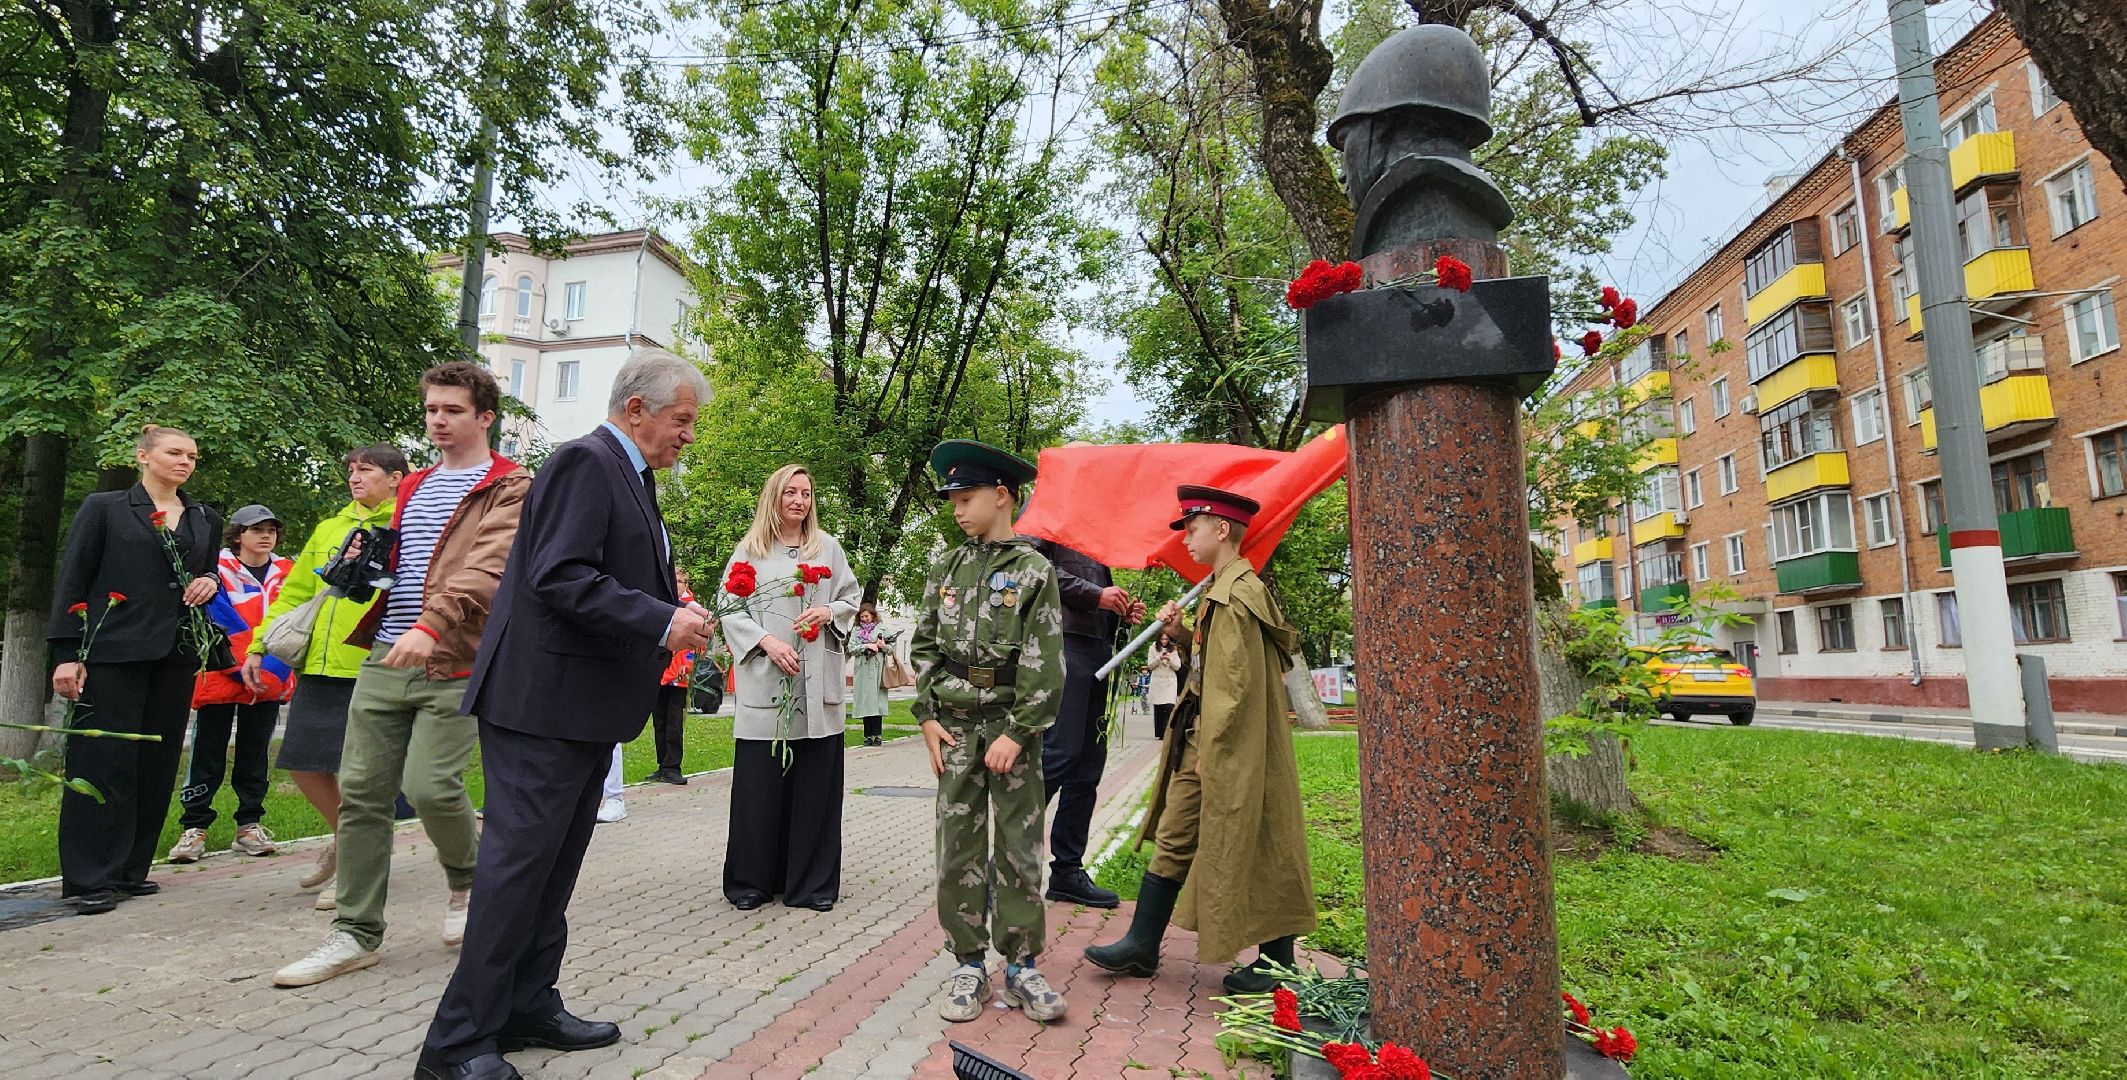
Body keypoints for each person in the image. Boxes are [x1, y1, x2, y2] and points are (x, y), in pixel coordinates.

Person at [415, 350, 712, 1080]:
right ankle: (454, 1045)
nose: (688, 436)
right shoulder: (587, 462)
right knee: (517, 872)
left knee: (551, 870)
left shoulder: (629, 475)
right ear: (636, 409)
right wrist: (660, 621)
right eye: (682, 421)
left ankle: (526, 1004)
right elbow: (560, 574)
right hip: (540, 705)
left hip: (577, 709)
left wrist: (666, 612)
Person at [273, 362, 529, 989]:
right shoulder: (409, 486)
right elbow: (407, 565)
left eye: (452, 411)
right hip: (387, 656)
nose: (438, 421)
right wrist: (365, 568)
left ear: (485, 417)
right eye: (431, 411)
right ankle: (355, 934)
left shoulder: (511, 485)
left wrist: (431, 625)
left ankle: (468, 882)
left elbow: (486, 570)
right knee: (361, 792)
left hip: (454, 660)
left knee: (431, 787)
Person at [1084, 485, 1316, 994]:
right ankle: (1142, 946)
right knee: (1175, 833)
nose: (1186, 539)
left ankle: (1277, 966)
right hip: (1203, 741)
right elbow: (1218, 662)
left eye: (1192, 529)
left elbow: (1232, 690)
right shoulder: (1222, 589)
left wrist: (1215, 753)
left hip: (1222, 745)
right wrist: (1185, 632)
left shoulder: (1235, 595)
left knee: (1260, 839)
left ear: (1222, 530)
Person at [911, 439, 1068, 1024]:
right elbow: (923, 643)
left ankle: (1023, 965)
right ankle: (969, 963)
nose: (957, 509)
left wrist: (1021, 731)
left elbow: (1047, 660)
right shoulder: (947, 567)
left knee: (1020, 852)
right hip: (955, 729)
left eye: (966, 497)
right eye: (952, 498)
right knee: (957, 850)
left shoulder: (1033, 571)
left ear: (1002, 496)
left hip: (1010, 732)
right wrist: (926, 717)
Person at [47, 425, 224, 915]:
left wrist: (209, 581)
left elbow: (206, 570)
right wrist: (65, 651)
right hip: (110, 652)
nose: (185, 461)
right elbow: (74, 578)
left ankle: (128, 870)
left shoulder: (204, 516)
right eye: (174, 452)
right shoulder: (104, 508)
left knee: (155, 762)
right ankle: (88, 878)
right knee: (102, 761)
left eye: (192, 454)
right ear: (144, 456)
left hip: (176, 654)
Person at [244, 446, 407, 908]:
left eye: (367, 471)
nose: (355, 478)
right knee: (302, 760)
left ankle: (358, 863)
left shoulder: (409, 525)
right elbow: (295, 592)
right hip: (319, 663)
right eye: (351, 471)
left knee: (363, 774)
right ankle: (348, 842)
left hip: (375, 663)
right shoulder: (331, 527)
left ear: (395, 478)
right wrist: (260, 644)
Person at [716, 464, 861, 912]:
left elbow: (850, 598)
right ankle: (751, 882)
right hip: (768, 684)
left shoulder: (829, 549)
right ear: (773, 497)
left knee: (815, 790)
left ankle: (811, 885)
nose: (799, 501)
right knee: (760, 791)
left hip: (817, 687)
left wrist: (827, 613)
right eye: (790, 493)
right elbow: (728, 608)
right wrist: (765, 641)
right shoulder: (749, 552)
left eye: (806, 494)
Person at [170, 505, 294, 864]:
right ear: (238, 534)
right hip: (222, 672)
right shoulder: (216, 570)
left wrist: (271, 667)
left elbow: (294, 619)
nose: (266, 536)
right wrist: (242, 664)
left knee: (255, 753)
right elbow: (215, 616)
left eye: (271, 529)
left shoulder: (289, 572)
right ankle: (194, 828)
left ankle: (249, 825)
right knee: (207, 752)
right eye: (257, 530)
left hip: (269, 675)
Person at [1025, 536, 1142, 909]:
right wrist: (1097, 596)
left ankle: (1067, 872)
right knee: (1057, 756)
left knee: (1088, 766)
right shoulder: (1051, 508)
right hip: (1061, 646)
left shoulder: (1093, 522)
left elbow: (1092, 589)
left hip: (1097, 649)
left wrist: (1116, 610)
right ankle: (1006, 869)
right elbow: (1030, 568)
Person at [648, 567, 695, 784]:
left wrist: (688, 663)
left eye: (680, 581)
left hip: (678, 675)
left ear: (686, 584)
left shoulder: (692, 608)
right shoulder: (663, 603)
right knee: (659, 721)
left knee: (674, 722)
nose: (676, 584)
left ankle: (673, 765)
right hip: (660, 672)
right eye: (673, 580)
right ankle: (662, 764)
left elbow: (696, 643)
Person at [849, 604, 890, 747]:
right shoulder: (856, 630)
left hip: (877, 670)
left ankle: (878, 735)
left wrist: (882, 646)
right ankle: (867, 736)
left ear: (873, 615)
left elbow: (890, 648)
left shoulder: (881, 628)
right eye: (862, 617)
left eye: (867, 616)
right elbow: (851, 647)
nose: (865, 619)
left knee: (877, 704)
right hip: (863, 670)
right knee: (866, 703)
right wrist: (866, 646)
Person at [1147, 635, 1182, 740]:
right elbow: (1150, 665)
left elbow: (1177, 666)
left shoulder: (1174, 650)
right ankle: (1160, 732)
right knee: (1158, 707)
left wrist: (1169, 659)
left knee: (1169, 706)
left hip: (1169, 681)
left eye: (1166, 639)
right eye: (1162, 639)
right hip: (1157, 680)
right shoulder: (1152, 648)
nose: (1164, 641)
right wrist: (1159, 658)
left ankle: (1168, 732)